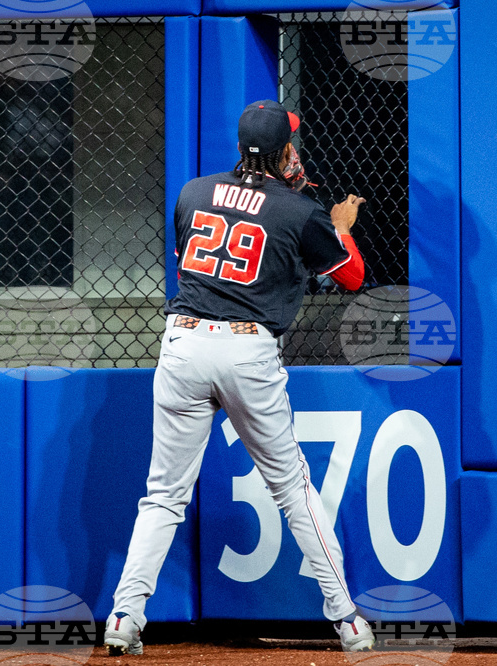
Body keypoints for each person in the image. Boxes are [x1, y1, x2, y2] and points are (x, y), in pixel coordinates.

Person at [103, 100, 375, 656]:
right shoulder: (300, 211)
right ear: (281, 153)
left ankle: (125, 616)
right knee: (293, 488)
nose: (297, 153)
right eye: (291, 145)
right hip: (247, 351)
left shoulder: (193, 192)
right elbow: (351, 277)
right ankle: (346, 619)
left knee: (162, 497)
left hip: (182, 344)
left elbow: (197, 261)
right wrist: (341, 228)